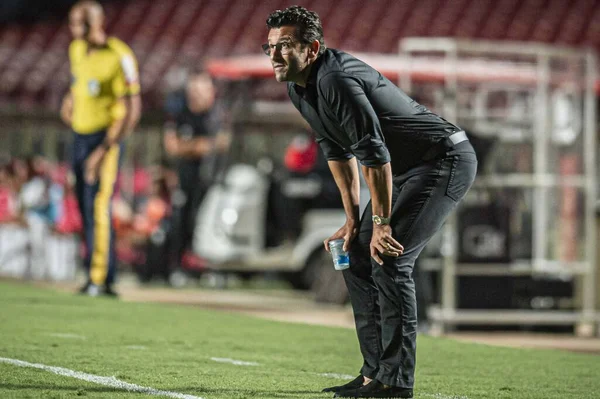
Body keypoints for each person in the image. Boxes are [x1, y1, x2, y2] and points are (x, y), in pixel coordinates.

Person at [264, 6, 477, 398]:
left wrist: (380, 224)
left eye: (285, 46)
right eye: (270, 47)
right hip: (403, 170)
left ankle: (397, 384)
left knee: (389, 256)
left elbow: (375, 155)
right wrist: (351, 221)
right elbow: (336, 152)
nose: (274, 55)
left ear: (311, 48)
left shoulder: (336, 79)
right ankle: (373, 374)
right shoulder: (298, 86)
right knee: (356, 253)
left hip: (442, 161)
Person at [60, 0, 142, 297]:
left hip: (104, 139)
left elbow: (133, 109)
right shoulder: (76, 50)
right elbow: (77, 82)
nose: (70, 29)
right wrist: (69, 101)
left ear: (94, 24)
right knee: (83, 206)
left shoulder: (120, 55)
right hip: (79, 136)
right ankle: (101, 275)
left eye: (75, 23)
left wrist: (105, 148)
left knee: (98, 205)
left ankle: (98, 278)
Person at [162, 66, 230, 271]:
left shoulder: (217, 115)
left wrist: (189, 146)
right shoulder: (179, 113)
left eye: (201, 88)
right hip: (185, 180)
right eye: (193, 88)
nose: (197, 93)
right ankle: (178, 267)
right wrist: (199, 146)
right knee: (181, 222)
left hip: (212, 181)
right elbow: (172, 146)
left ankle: (208, 267)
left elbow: (221, 143)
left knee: (207, 223)